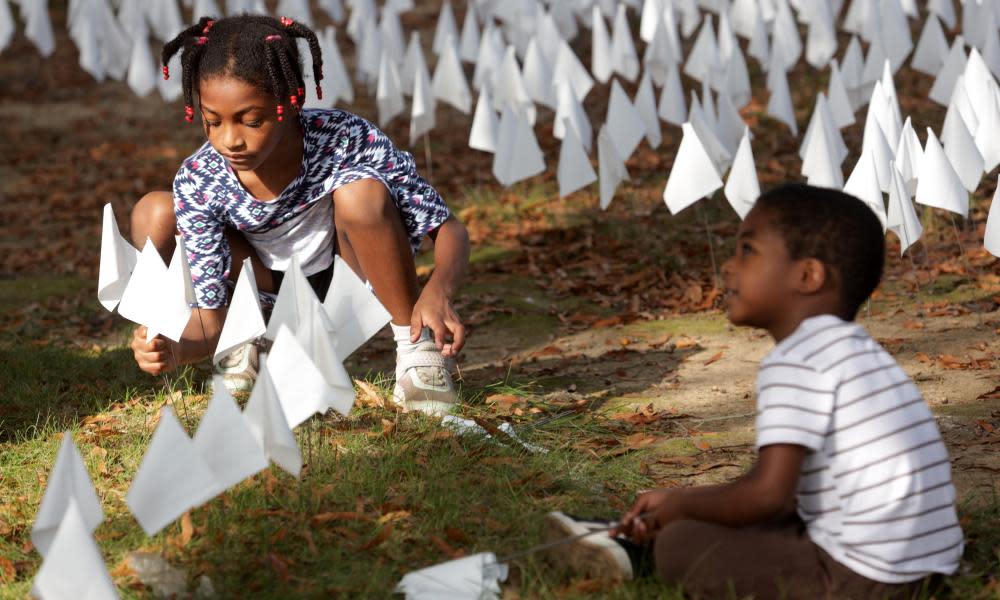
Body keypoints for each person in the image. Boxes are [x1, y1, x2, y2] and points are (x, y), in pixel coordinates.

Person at [544, 185, 962, 599]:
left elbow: (769, 496)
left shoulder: (797, 359)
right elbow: (785, 491)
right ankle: (632, 538)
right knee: (724, 518)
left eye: (748, 251)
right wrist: (681, 499)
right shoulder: (857, 351)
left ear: (807, 275)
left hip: (861, 579)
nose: (729, 267)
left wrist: (678, 508)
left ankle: (639, 552)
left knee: (681, 543)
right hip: (929, 567)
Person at [128, 15, 470, 415]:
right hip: (264, 295)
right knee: (153, 211)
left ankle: (416, 353)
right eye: (212, 121)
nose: (229, 140)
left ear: (292, 101)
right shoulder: (201, 179)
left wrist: (438, 290)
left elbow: (448, 230)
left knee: (362, 194)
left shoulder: (346, 140)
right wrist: (176, 347)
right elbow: (211, 314)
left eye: (251, 120)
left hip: (350, 280)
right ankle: (250, 343)